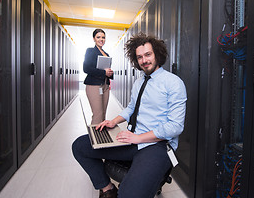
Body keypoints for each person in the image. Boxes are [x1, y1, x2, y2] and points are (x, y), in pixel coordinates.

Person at [72, 33, 187, 198]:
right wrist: (113, 121)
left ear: (157, 54)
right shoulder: (139, 82)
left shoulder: (173, 83)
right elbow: (132, 107)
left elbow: (175, 127)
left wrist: (139, 138)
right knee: (80, 146)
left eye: (148, 55)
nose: (144, 60)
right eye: (139, 57)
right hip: (133, 138)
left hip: (158, 145)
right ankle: (108, 189)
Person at [83, 28, 114, 124]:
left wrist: (109, 73)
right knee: (98, 114)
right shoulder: (90, 51)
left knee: (103, 114)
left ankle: (101, 137)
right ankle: (94, 138)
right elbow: (86, 68)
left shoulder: (106, 54)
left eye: (103, 37)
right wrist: (103, 73)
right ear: (94, 39)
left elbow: (105, 70)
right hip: (94, 86)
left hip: (105, 85)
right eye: (98, 37)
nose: (101, 39)